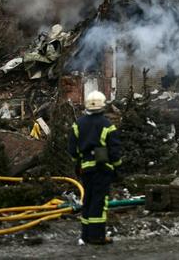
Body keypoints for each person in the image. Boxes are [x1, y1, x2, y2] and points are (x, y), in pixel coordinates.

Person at [67, 90, 122, 245]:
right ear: (103, 106)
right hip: (102, 169)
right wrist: (117, 168)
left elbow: (72, 149)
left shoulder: (78, 125)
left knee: (88, 201)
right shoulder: (107, 126)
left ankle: (85, 235)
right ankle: (97, 236)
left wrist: (78, 163)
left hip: (85, 170)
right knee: (99, 202)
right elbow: (114, 152)